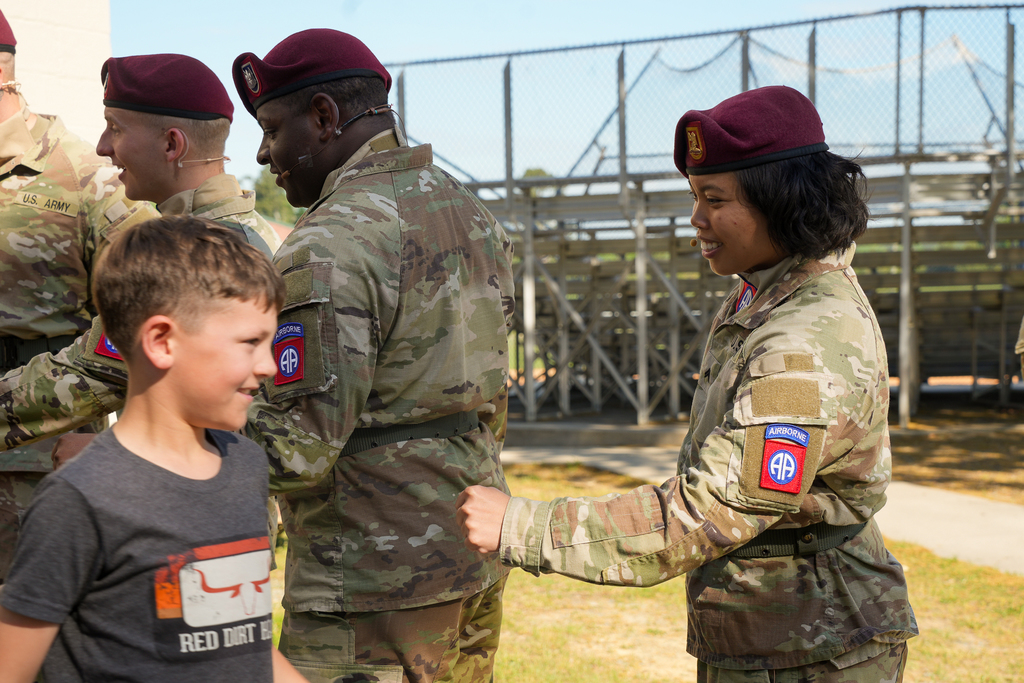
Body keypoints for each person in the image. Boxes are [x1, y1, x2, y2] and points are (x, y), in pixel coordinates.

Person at [458, 86, 918, 682]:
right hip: (782, 636)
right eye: (695, 195)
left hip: (811, 649)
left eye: (715, 198)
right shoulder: (771, 292)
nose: (696, 218)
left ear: (783, 200)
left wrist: (521, 527)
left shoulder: (803, 341)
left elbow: (714, 506)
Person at [229, 29, 515, 683]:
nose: (264, 151)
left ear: (325, 117)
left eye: (274, 127)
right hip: (470, 554)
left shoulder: (327, 243)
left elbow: (294, 450)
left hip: (369, 584)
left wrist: (174, 435)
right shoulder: (473, 217)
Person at [0, 216, 307, 683]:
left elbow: (245, 640)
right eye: (250, 343)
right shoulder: (80, 501)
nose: (268, 365)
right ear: (161, 341)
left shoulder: (245, 466)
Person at [0, 52, 285, 467]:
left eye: (115, 128)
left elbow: (92, 372)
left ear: (172, 144)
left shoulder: (195, 253)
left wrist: (114, 454)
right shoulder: (242, 232)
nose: (101, 147)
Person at [0, 10, 159, 582]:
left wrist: (122, 447)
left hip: (38, 460)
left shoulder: (90, 178)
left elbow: (148, 322)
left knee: (44, 652)